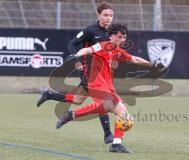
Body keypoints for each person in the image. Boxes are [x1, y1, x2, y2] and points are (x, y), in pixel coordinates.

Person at [55, 23, 166, 153]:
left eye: (124, 37)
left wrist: (153, 65)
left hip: (108, 86)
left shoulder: (119, 52)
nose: (122, 39)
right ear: (111, 36)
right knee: (107, 106)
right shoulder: (103, 45)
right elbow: (88, 50)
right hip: (96, 83)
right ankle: (71, 115)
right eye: (119, 36)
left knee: (124, 115)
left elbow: (134, 59)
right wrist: (76, 56)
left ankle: (116, 144)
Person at [36, 2, 114, 144]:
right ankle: (108, 134)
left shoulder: (111, 32)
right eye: (105, 15)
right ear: (99, 15)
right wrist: (76, 61)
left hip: (102, 73)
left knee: (78, 100)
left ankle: (49, 95)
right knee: (102, 101)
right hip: (89, 71)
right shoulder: (90, 30)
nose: (108, 18)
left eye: (110, 15)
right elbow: (72, 44)